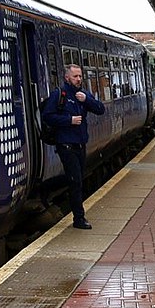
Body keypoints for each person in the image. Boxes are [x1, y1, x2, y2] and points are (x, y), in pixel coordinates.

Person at [42, 64, 106, 230]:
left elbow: (100, 109)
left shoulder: (83, 95)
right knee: (75, 181)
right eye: (75, 76)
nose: (78, 79)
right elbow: (47, 116)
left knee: (77, 179)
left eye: (80, 76)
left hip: (80, 144)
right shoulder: (59, 95)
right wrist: (68, 120)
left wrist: (87, 100)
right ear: (67, 78)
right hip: (66, 144)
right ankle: (79, 218)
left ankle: (50, 189)